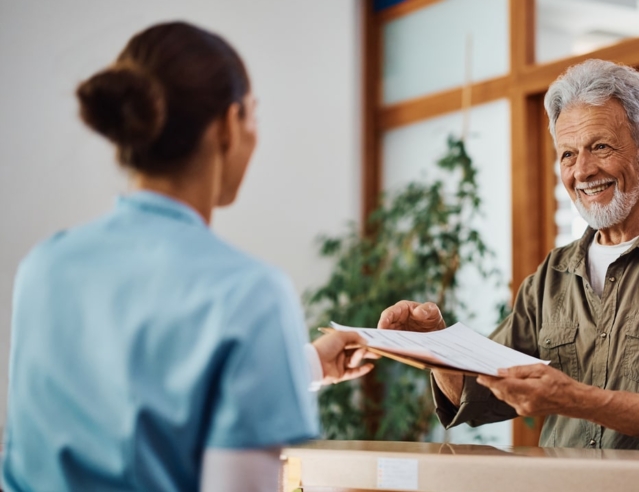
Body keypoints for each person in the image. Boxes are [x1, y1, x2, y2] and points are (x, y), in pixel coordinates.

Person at [2, 22, 374, 492]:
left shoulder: (45, 267)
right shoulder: (252, 292)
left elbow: (136, 387)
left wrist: (311, 363)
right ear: (226, 126)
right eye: (253, 114)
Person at [379, 59, 639, 452]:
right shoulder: (552, 275)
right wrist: (439, 349)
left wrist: (574, 398)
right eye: (568, 155)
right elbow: (483, 393)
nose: (583, 170)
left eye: (600, 146)